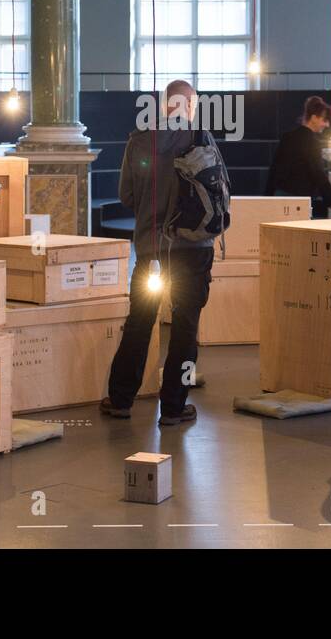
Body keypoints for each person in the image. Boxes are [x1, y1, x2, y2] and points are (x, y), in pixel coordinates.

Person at [102, 79, 226, 427]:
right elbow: (220, 192)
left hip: (151, 250)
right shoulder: (201, 138)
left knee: (139, 322)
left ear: (162, 106)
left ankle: (121, 399)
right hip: (194, 250)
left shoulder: (139, 141)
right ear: (189, 106)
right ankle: (174, 407)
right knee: (187, 329)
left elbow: (126, 196)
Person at [265, 95, 331, 218]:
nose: (326, 125)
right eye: (324, 120)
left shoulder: (288, 137)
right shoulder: (312, 142)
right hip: (299, 201)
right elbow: (317, 172)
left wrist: (267, 198)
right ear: (314, 118)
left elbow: (275, 169)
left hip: (279, 196)